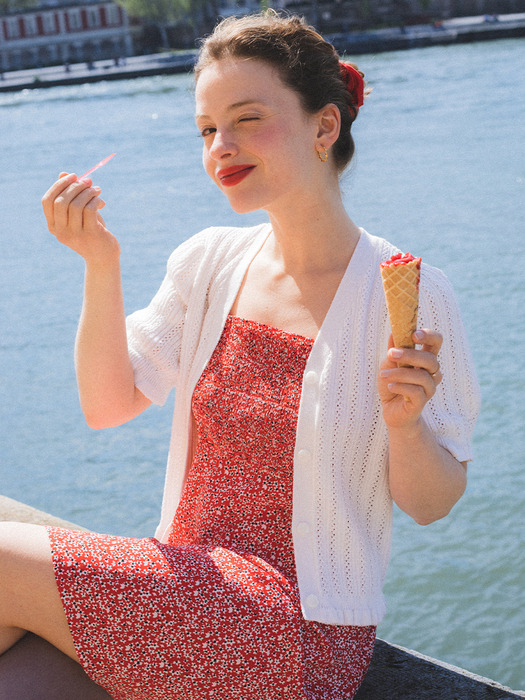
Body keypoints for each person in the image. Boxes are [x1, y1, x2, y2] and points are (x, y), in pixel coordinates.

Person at [1, 11, 480, 700]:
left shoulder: (408, 291)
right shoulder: (206, 262)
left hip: (298, 631)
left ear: (323, 127)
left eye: (247, 118)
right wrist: (99, 263)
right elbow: (107, 405)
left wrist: (403, 425)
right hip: (186, 593)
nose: (220, 145)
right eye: (206, 129)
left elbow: (433, 504)